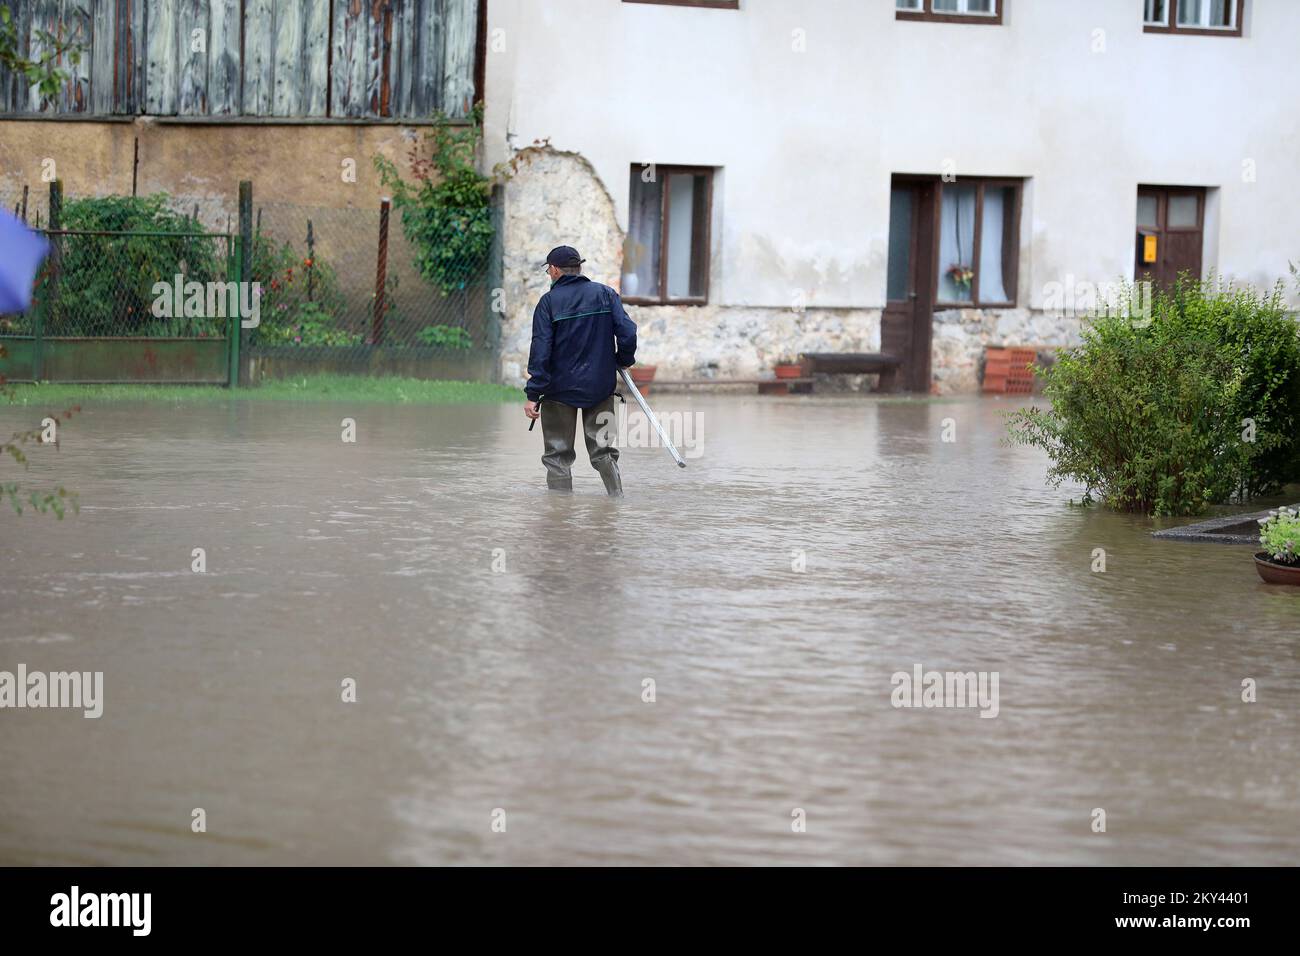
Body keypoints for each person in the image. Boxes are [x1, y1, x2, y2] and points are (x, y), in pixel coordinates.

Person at [524, 245, 637, 496]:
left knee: (557, 455)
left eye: (548, 270)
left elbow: (540, 351)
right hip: (600, 387)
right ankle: (616, 501)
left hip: (558, 390)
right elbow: (628, 333)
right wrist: (623, 359)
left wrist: (533, 394)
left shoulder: (548, 303)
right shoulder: (606, 294)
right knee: (604, 451)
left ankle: (560, 512)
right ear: (579, 268)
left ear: (553, 270)